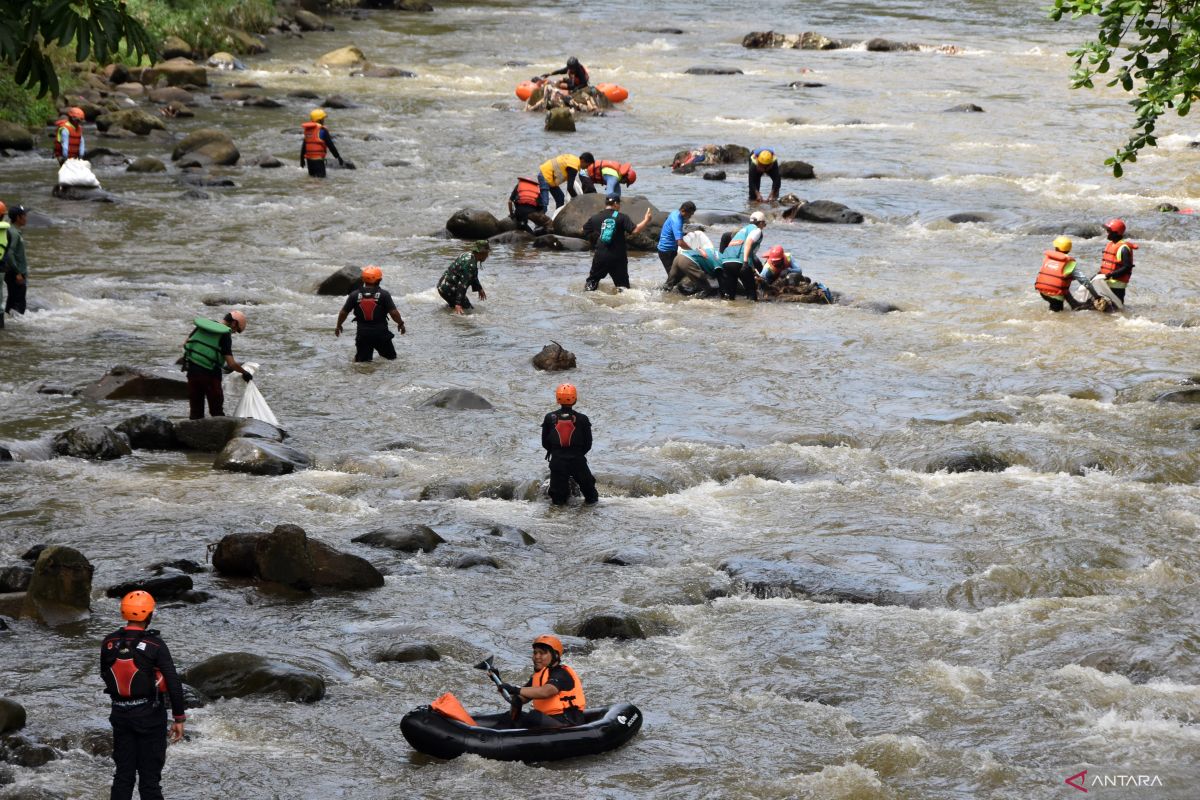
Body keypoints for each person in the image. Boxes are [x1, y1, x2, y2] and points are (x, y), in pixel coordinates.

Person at [100, 591, 186, 800]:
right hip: (150, 717)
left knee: (123, 776)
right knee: (149, 781)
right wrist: (179, 718)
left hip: (120, 715)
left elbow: (105, 674)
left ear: (124, 613)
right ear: (149, 615)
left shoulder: (109, 642)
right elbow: (173, 682)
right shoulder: (156, 645)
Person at [498, 635, 586, 729]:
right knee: (509, 714)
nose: (536, 657)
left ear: (555, 655)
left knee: (534, 716)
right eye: (535, 653)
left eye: (542, 653)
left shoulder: (561, 673)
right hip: (548, 720)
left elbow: (546, 691)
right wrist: (500, 683)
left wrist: (515, 689)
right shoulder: (539, 676)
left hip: (568, 723)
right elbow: (521, 697)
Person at [181, 311, 252, 420]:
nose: (234, 332)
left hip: (192, 372)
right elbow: (231, 363)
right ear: (234, 323)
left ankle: (192, 434)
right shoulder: (225, 334)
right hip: (210, 375)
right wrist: (244, 372)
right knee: (217, 412)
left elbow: (186, 343)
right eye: (236, 330)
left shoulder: (204, 326)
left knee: (196, 412)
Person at [541, 383, 599, 506]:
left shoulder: (549, 418)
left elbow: (545, 443)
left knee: (557, 499)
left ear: (558, 399)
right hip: (577, 460)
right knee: (591, 495)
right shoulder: (583, 419)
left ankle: (559, 521)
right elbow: (588, 444)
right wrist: (576, 454)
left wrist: (557, 453)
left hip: (557, 461)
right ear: (575, 399)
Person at [335, 265, 407, 361]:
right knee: (391, 360)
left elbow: (344, 312)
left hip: (363, 335)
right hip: (381, 334)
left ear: (363, 279)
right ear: (379, 279)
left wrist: (338, 325)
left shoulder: (354, 295)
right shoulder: (384, 294)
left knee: (362, 364)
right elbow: (393, 313)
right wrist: (400, 324)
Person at [583, 194, 652, 291]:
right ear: (615, 203)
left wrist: (596, 240)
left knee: (592, 282)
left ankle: (587, 300)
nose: (619, 206)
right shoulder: (621, 217)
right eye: (619, 203)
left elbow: (585, 229)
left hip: (601, 255)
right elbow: (635, 230)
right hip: (618, 257)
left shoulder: (595, 217)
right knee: (623, 287)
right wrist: (646, 220)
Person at [718, 211, 767, 300]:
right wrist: (745, 262)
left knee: (731, 294)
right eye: (764, 224)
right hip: (740, 262)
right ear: (760, 222)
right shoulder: (757, 230)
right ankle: (749, 312)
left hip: (726, 261)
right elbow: (748, 242)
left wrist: (752, 268)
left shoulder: (742, 230)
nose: (764, 226)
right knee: (751, 291)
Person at [1034, 236, 1087, 312]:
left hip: (1042, 292)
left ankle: (1074, 304)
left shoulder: (1049, 258)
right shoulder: (1069, 263)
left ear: (1056, 248)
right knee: (1058, 318)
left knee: (1062, 284)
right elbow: (1084, 280)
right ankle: (1074, 305)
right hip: (1056, 296)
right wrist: (1096, 296)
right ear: (1069, 250)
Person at [437, 241, 489, 314]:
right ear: (481, 253)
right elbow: (462, 285)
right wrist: (458, 304)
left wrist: (479, 288)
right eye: (486, 253)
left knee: (464, 308)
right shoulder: (470, 264)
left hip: (443, 285)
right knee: (467, 311)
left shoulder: (468, 255)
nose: (487, 256)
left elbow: (472, 276)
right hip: (448, 288)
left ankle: (447, 313)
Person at [663, 230, 720, 295]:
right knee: (707, 289)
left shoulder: (714, 253)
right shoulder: (720, 261)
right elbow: (718, 275)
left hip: (678, 258)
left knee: (668, 285)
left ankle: (660, 295)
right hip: (687, 261)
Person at [0, 202, 29, 327]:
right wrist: (18, 272)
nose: (26, 218)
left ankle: (9, 322)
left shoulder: (11, 231)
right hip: (16, 273)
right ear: (18, 218)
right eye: (24, 215)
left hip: (10, 271)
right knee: (19, 302)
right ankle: (17, 329)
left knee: (11, 300)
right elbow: (10, 254)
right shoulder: (14, 233)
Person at [1097, 218, 1137, 304]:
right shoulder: (1111, 244)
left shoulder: (1123, 249)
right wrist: (1100, 273)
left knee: (1115, 310)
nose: (1106, 233)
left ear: (1116, 233)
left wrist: (1111, 274)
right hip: (1108, 283)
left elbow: (1127, 267)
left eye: (1108, 231)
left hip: (1117, 286)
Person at [300, 109, 344, 179]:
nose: (324, 121)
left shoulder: (308, 130)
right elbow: (330, 145)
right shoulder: (323, 131)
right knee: (321, 182)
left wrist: (302, 160)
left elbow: (304, 146)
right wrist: (338, 157)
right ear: (319, 120)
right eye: (323, 119)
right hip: (318, 161)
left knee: (312, 180)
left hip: (309, 161)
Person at [656, 201, 696, 275]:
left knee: (676, 274)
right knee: (674, 276)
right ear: (683, 211)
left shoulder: (675, 212)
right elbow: (680, 243)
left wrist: (684, 234)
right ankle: (662, 287)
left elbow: (672, 230)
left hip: (668, 249)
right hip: (666, 251)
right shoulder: (677, 221)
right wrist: (693, 251)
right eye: (690, 214)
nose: (690, 217)